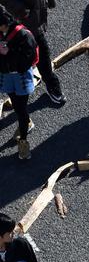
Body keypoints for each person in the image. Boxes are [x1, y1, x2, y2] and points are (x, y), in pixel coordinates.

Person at [0, 0, 63, 106]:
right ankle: (52, 86)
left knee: (28, 53)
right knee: (42, 53)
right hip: (25, 22)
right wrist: (22, 10)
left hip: (38, 16)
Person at [0, 9, 39, 159]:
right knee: (17, 106)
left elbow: (26, 61)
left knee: (21, 109)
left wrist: (8, 53)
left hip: (21, 77)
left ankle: (23, 141)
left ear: (3, 24)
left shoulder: (23, 35)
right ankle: (26, 123)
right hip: (6, 76)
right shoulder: (2, 34)